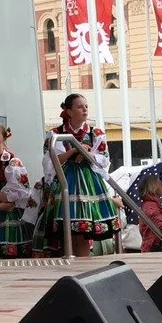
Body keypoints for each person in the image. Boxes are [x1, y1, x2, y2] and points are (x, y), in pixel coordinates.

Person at [35, 93, 119, 256]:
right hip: (66, 180)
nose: (85, 110)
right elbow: (50, 160)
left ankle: (81, 265)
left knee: (82, 229)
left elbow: (103, 159)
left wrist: (86, 154)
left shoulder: (95, 133)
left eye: (86, 106)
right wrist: (74, 150)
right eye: (79, 107)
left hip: (88, 182)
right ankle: (71, 264)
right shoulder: (55, 134)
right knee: (68, 229)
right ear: (69, 111)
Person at [0, 121, 34, 258]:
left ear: (4, 138)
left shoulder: (12, 161)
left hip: (8, 213)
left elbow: (19, 193)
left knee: (8, 252)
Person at [138, 174, 162, 251]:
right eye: (161, 184)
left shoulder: (153, 204)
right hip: (154, 249)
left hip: (154, 247)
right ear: (154, 186)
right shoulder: (151, 206)